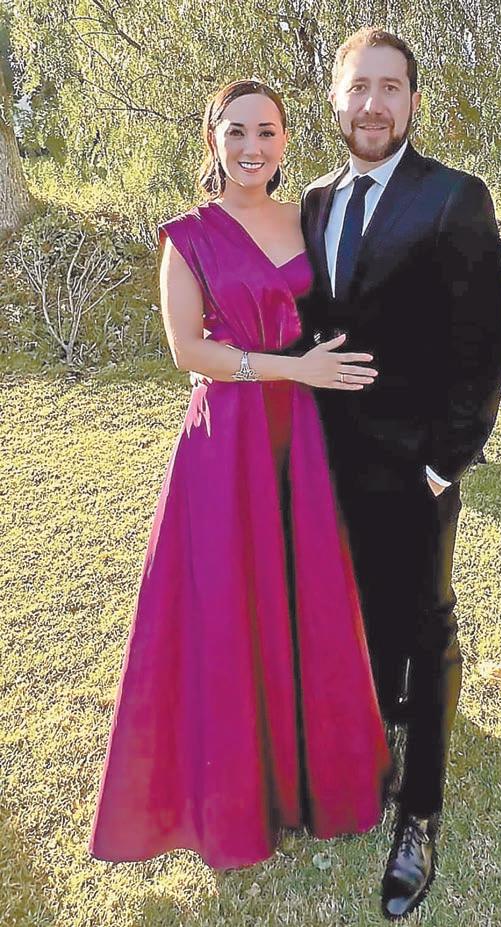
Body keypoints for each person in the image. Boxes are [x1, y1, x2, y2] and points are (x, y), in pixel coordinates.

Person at [87, 79, 393, 871]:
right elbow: (187, 350)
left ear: (286, 140)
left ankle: (320, 775)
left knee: (310, 591)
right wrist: (288, 368)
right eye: (236, 132)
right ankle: (239, 794)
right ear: (212, 139)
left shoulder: (312, 220)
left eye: (266, 131)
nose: (251, 147)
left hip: (308, 438)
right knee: (233, 600)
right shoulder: (187, 236)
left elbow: (350, 307)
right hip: (228, 442)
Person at [297, 28, 501, 919]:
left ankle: (419, 813)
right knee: (356, 616)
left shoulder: (454, 197)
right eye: (359, 87)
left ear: (413, 102)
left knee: (426, 630)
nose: (373, 104)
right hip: (326, 466)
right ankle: (366, 751)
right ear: (335, 99)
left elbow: (485, 345)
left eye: (391, 88)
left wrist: (441, 464)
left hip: (415, 467)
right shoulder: (311, 200)